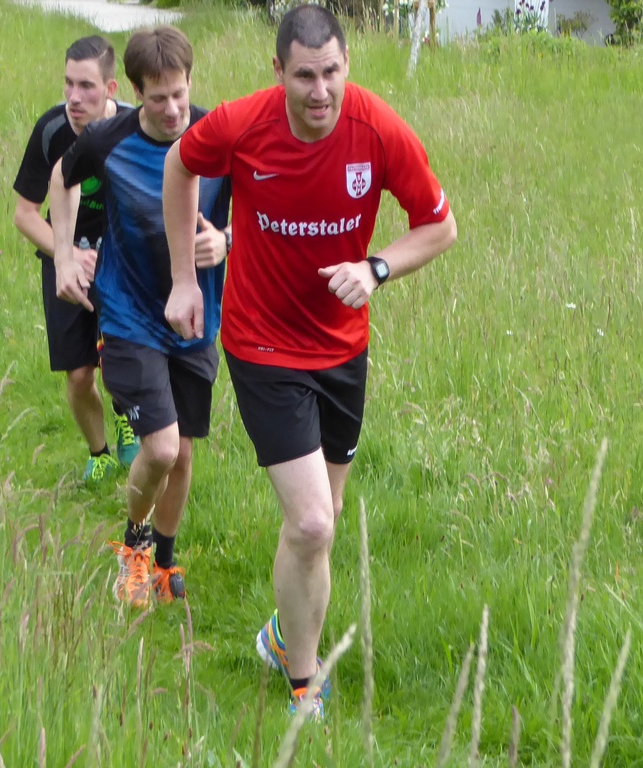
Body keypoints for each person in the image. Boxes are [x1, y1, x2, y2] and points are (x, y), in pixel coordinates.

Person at [162, 4, 457, 717]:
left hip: (342, 349)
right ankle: (304, 684)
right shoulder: (244, 122)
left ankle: (278, 634)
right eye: (304, 76)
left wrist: (377, 269)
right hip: (261, 344)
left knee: (322, 521)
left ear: (347, 65)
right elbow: (179, 163)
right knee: (314, 524)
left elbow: (439, 227)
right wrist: (181, 278)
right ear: (278, 73)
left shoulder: (377, 129)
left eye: (330, 73)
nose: (319, 91)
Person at [50, 26, 232, 608]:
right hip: (128, 313)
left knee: (185, 454)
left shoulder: (217, 137)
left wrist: (225, 240)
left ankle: (166, 560)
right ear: (133, 92)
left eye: (181, 93)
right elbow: (61, 177)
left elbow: (257, 210)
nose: (174, 109)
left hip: (195, 317)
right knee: (160, 449)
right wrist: (61, 254)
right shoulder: (108, 138)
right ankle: (133, 544)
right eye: (159, 99)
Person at [13, 36, 139, 487]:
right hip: (62, 253)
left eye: (86, 86)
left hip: (122, 262)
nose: (74, 97)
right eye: (68, 83)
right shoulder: (51, 130)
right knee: (80, 374)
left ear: (111, 87)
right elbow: (25, 215)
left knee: (124, 360)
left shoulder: (133, 127)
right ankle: (99, 452)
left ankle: (128, 414)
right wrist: (67, 254)